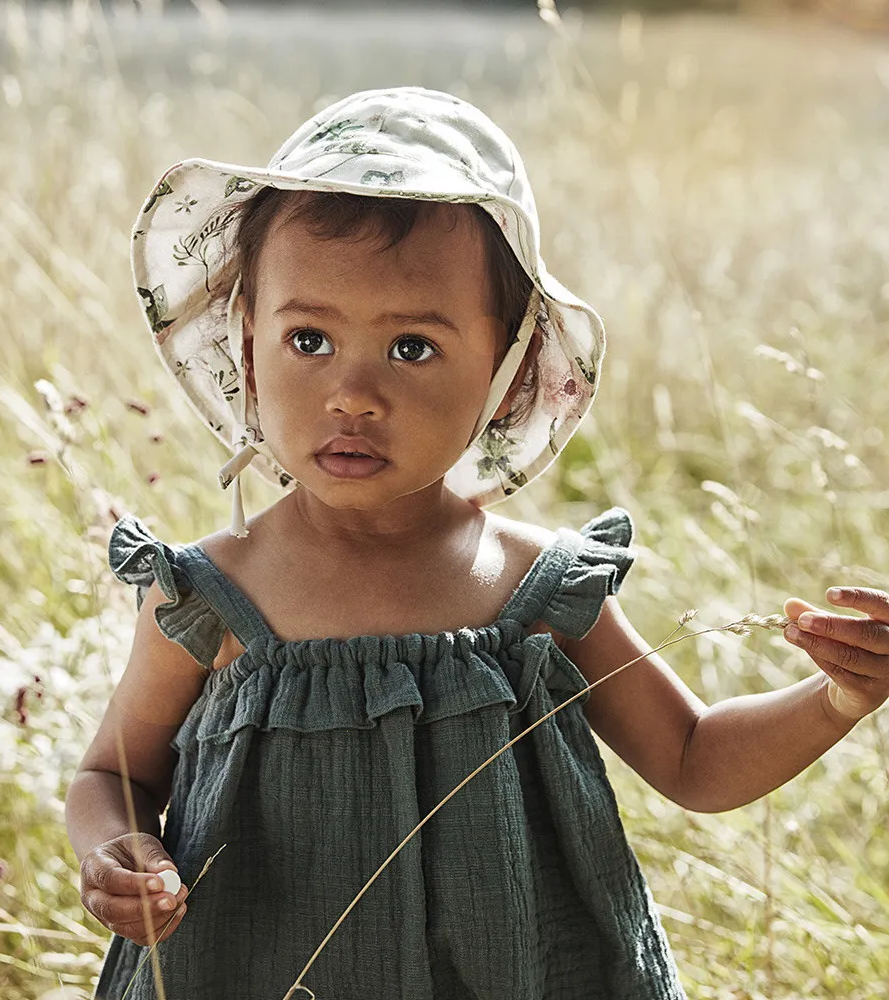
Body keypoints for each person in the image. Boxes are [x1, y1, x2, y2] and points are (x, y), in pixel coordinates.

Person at [64, 87, 889, 1000]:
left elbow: (693, 759)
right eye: (309, 338)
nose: (353, 393)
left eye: (412, 348)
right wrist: (116, 850)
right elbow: (112, 772)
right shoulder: (210, 593)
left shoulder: (537, 590)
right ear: (248, 349)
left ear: (506, 375)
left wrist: (838, 698)